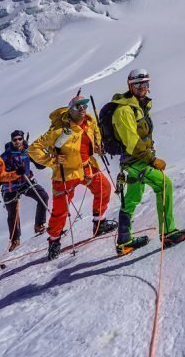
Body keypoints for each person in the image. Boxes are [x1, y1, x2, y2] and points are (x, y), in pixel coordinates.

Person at [28, 92, 116, 260]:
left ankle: (99, 223)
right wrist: (52, 160)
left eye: (84, 105)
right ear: (70, 110)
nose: (82, 109)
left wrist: (97, 146)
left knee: (104, 188)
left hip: (86, 167)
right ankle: (54, 241)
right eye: (78, 106)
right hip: (65, 173)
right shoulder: (58, 130)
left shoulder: (89, 122)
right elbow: (33, 148)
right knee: (60, 210)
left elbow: (95, 134)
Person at [112, 68, 185, 256]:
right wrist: (152, 159)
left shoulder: (138, 106)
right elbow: (132, 142)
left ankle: (124, 241)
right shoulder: (124, 110)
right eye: (138, 85)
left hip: (132, 161)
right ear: (130, 85)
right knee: (164, 185)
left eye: (145, 84)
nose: (142, 88)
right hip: (136, 160)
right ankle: (168, 232)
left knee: (132, 198)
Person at [0, 130, 49, 251]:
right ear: (11, 141)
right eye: (15, 139)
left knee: (43, 196)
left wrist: (44, 158)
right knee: (13, 213)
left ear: (23, 139)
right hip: (9, 187)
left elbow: (40, 164)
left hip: (26, 182)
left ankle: (39, 224)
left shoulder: (28, 151)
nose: (17, 141)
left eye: (19, 139)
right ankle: (15, 240)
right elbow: (1, 176)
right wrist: (16, 173)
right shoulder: (4, 156)